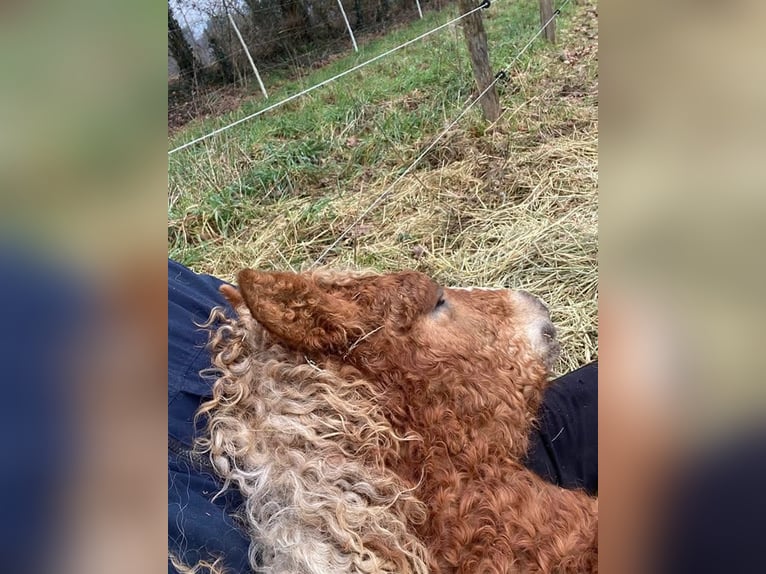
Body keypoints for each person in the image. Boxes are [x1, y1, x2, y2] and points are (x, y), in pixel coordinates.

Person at [167, 260, 598, 573]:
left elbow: (268, 316)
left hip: (422, 447)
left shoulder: (159, 286)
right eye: (439, 306)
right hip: (383, 496)